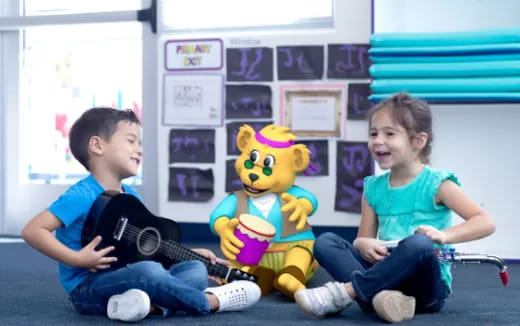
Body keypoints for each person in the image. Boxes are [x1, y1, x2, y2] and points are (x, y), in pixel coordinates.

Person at [22, 107, 261, 322]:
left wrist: (189, 254)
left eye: (139, 143)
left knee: (196, 269)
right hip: (88, 289)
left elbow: (143, 250)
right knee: (150, 272)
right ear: (97, 146)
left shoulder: (130, 196)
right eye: (131, 141)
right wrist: (77, 260)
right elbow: (33, 231)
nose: (139, 150)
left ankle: (149, 307)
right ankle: (209, 302)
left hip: (128, 278)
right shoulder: (81, 194)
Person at [294, 93, 495, 323]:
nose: (378, 140)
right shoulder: (373, 188)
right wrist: (364, 243)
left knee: (419, 243)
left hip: (426, 288)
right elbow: (363, 239)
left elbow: (485, 222)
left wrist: (444, 235)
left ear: (418, 141)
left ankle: (348, 292)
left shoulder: (438, 184)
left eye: (389, 133)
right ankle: (384, 299)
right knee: (325, 242)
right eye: (373, 133)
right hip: (385, 274)